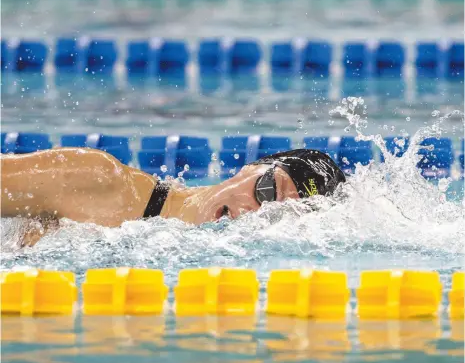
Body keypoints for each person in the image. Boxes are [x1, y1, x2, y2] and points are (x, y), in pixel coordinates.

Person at [1, 147, 346, 246]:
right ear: (251, 167)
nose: (254, 214)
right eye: (267, 192)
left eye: (278, 217)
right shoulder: (99, 179)